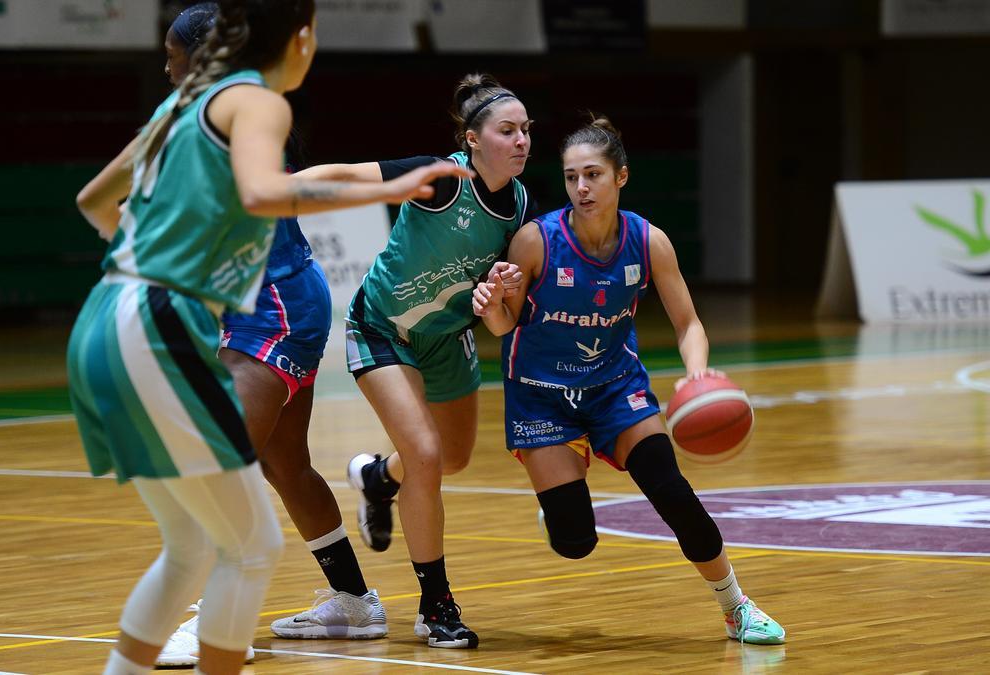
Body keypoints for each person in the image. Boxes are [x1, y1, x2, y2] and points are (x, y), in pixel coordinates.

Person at [67, 1, 468, 672]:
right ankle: (239, 617)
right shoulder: (242, 104)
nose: (167, 71)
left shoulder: (191, 116)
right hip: (213, 311)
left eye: (173, 59)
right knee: (251, 490)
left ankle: (329, 604)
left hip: (259, 309)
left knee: (253, 479)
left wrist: (157, 257)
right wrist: (393, 187)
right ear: (300, 39)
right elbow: (261, 193)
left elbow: (95, 203)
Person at [471, 115, 786, 646]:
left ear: (620, 177)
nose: (581, 188)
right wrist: (490, 306)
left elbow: (688, 324)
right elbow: (505, 327)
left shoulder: (648, 241)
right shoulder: (536, 241)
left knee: (672, 492)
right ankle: (558, 505)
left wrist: (697, 372)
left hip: (616, 386)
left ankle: (737, 607)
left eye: (592, 175)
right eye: (571, 177)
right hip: (541, 397)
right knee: (574, 542)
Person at [294, 73, 536, 649]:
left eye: (527, 130)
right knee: (425, 455)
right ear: (473, 140)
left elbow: (499, 312)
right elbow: (345, 174)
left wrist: (498, 290)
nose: (522, 139)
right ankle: (436, 606)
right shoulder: (441, 179)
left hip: (448, 338)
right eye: (508, 130)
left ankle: (379, 480)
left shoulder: (521, 204)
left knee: (451, 457)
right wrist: (273, 188)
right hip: (383, 329)